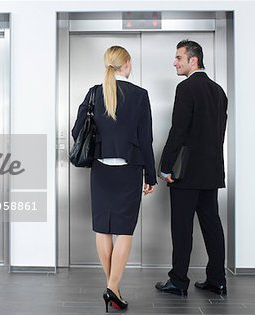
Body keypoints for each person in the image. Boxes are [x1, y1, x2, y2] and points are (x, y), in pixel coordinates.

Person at [72, 46, 156, 312]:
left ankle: (113, 288)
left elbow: (77, 130)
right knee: (125, 230)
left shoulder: (94, 92)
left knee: (103, 229)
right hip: (129, 169)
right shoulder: (140, 95)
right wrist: (150, 175)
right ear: (127, 64)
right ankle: (112, 288)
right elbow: (146, 139)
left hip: (101, 170)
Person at [155, 40, 228, 296]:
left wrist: (164, 167)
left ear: (193, 60)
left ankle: (178, 281)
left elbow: (178, 131)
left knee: (182, 228)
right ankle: (217, 279)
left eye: (178, 58)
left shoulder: (186, 88)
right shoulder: (219, 92)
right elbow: (219, 134)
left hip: (185, 175)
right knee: (212, 226)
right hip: (211, 173)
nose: (175, 62)